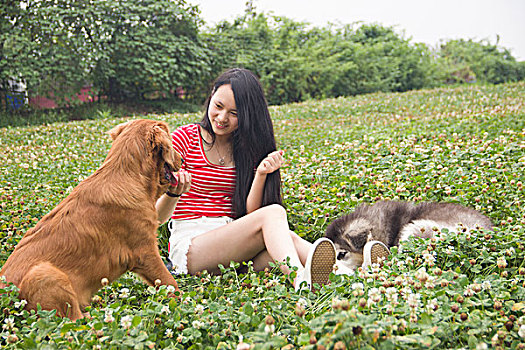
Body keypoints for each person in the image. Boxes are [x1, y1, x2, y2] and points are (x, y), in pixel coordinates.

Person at [156, 68, 341, 291]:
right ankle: (301, 280)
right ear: (211, 95)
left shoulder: (244, 149)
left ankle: (350, 273)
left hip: (231, 245)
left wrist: (261, 174)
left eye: (234, 113)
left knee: (284, 241)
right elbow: (156, 217)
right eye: (218, 106)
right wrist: (173, 193)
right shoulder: (183, 138)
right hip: (192, 247)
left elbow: (252, 216)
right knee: (274, 214)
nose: (222, 118)